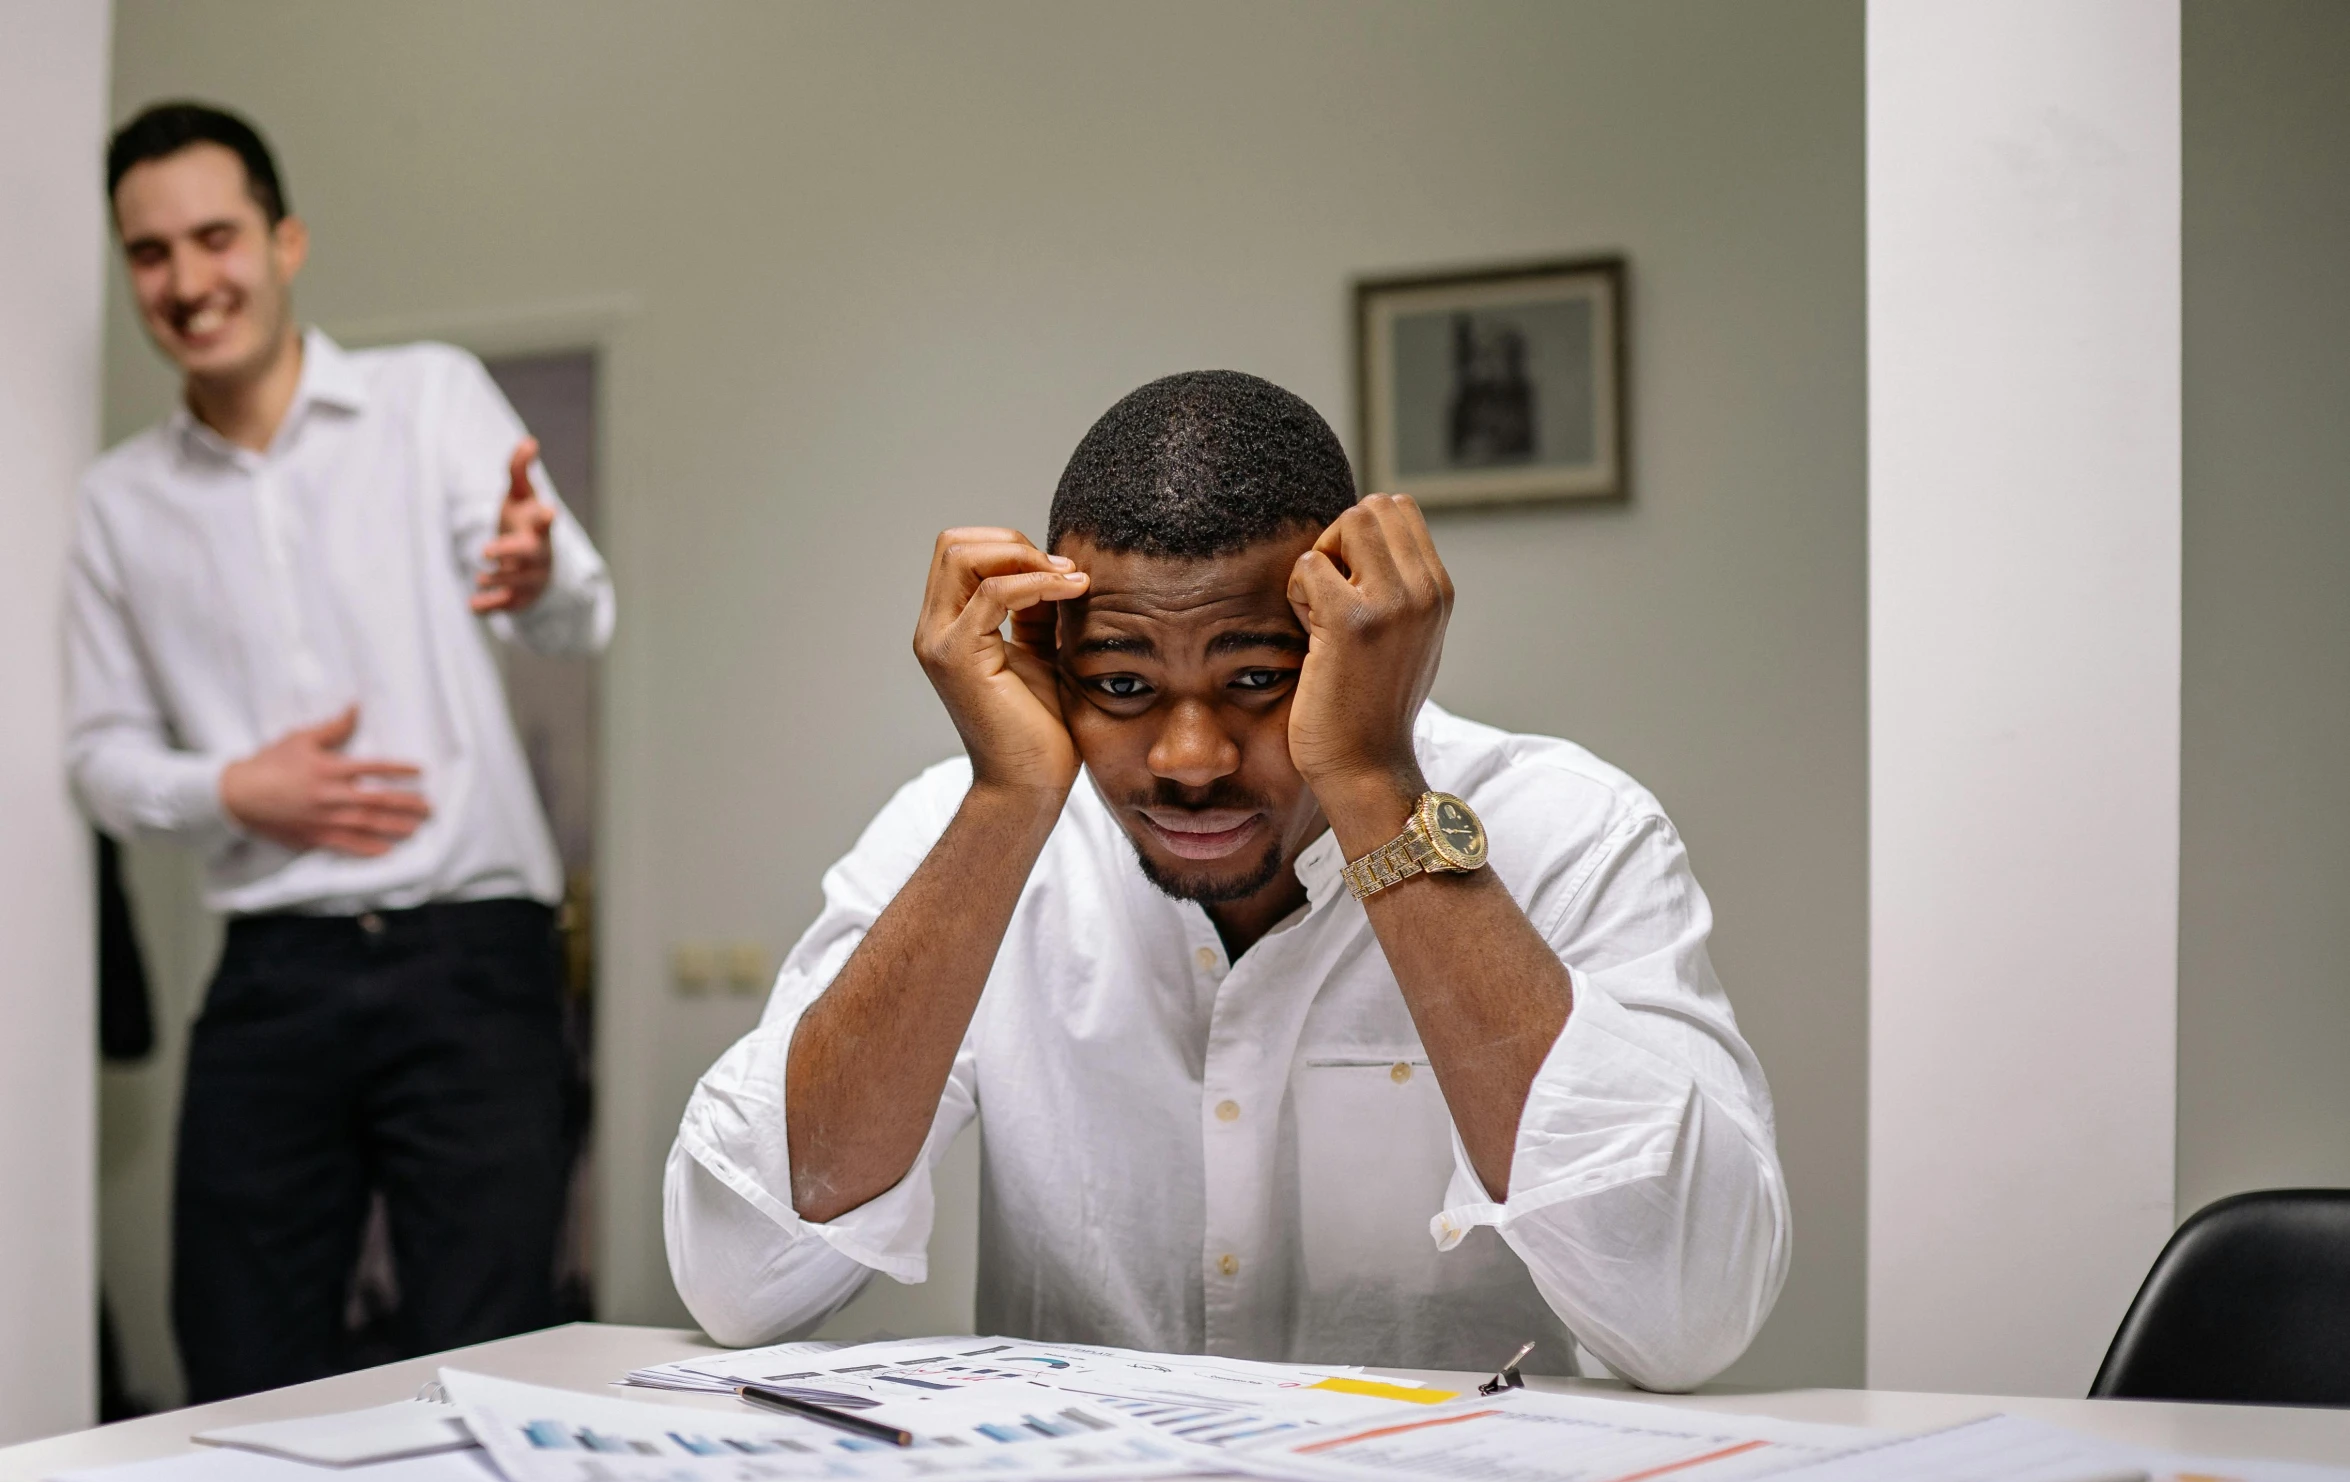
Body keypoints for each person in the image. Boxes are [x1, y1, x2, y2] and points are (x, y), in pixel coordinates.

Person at [666, 372, 1785, 1391]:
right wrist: (1006, 806)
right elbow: (739, 1278)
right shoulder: (969, 831)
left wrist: (1370, 780)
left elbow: (1686, 1315)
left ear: (1355, 635)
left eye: (1256, 678)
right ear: (1050, 655)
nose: (1188, 758)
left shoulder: (1572, 832)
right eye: (1120, 682)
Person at [67, 102, 616, 1401]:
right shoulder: (116, 502)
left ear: (284, 238)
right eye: (151, 254)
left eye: (216, 237)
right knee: (237, 1355)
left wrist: (536, 572)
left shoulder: (429, 399)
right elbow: (95, 752)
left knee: (495, 1360)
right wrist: (230, 789)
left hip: (474, 959)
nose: (191, 282)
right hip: (274, 976)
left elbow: (583, 614)